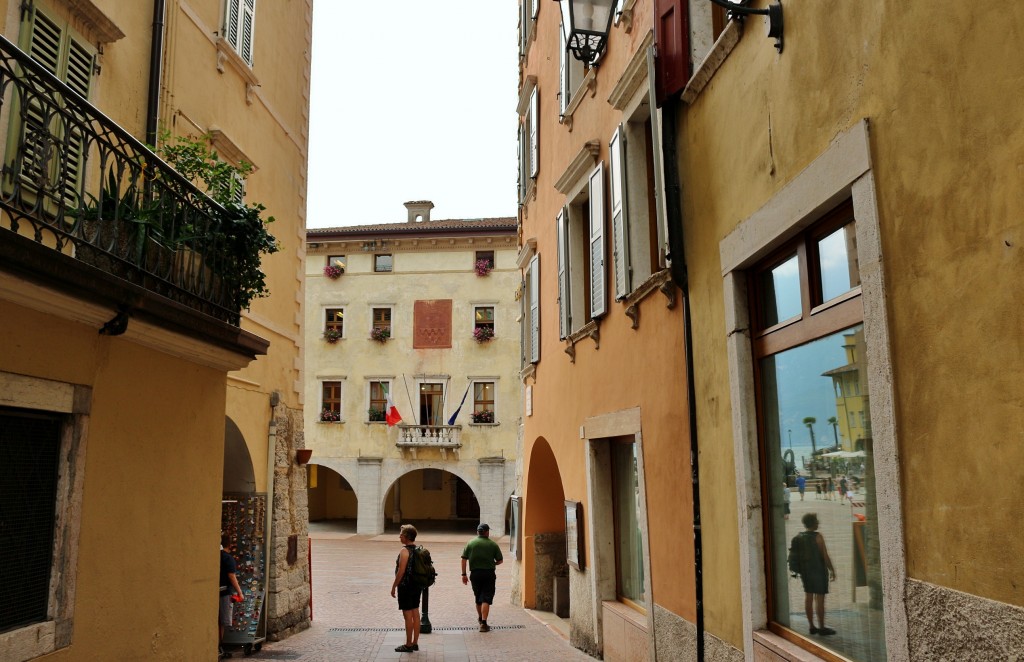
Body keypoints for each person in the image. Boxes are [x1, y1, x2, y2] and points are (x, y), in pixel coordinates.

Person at [792, 513, 836, 636]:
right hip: (819, 571)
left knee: (808, 597)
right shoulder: (818, 537)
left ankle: (811, 626)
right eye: (817, 521)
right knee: (820, 600)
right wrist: (832, 569)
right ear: (813, 523)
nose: (818, 523)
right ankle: (821, 627)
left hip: (806, 572)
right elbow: (825, 555)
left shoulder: (799, 537)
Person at [461, 522, 503, 632]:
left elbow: (464, 559)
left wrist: (463, 574)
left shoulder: (470, 543)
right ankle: (484, 623)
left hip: (475, 574)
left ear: (477, 532)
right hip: (488, 574)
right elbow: (500, 560)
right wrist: (493, 563)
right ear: (487, 532)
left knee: (478, 597)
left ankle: (480, 618)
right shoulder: (493, 544)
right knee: (486, 598)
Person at [390, 524, 422, 653]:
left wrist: (394, 586)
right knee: (416, 613)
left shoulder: (404, 551)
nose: (399, 537)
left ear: (406, 537)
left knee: (407, 616)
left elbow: (401, 571)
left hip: (406, 586)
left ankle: (408, 644)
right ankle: (415, 643)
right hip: (416, 586)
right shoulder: (418, 549)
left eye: (401, 535)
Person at [219, 534, 243, 659]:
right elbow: (231, 576)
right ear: (230, 545)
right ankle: (220, 647)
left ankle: (219, 646)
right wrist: (240, 592)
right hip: (225, 593)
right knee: (223, 621)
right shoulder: (228, 558)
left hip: (218, 591)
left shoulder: (218, 555)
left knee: (219, 621)